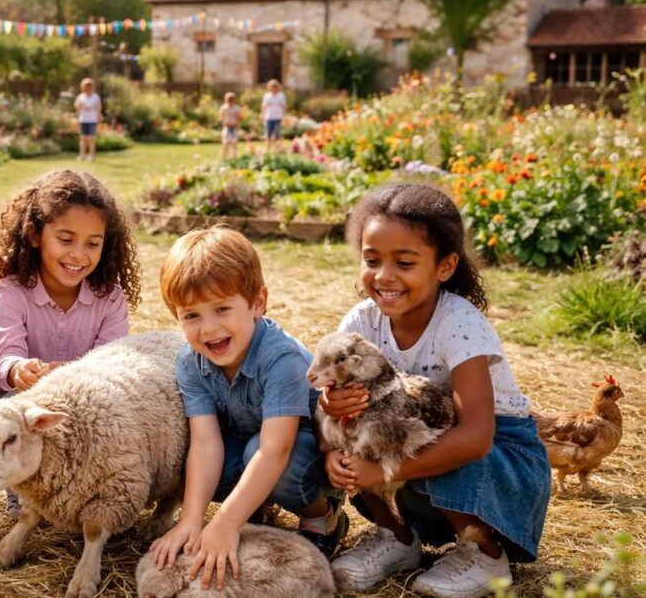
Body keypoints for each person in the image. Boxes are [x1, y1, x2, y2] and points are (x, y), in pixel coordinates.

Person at [322, 183, 549, 598]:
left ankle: (484, 553)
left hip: (497, 456)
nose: (384, 276)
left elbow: (476, 437)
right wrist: (331, 410)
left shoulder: (459, 325)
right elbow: (334, 397)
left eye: (405, 262)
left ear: (445, 266)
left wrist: (382, 471)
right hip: (409, 436)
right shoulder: (361, 321)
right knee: (340, 434)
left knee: (443, 442)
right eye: (371, 260)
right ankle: (397, 539)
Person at [149, 226, 348, 590]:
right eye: (191, 315)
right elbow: (206, 442)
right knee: (200, 457)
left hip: (304, 454)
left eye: (222, 309)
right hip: (247, 446)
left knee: (270, 455)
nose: (209, 329)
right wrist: (192, 519)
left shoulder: (281, 358)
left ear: (258, 302)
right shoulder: (190, 361)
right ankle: (253, 508)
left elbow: (277, 449)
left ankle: (324, 517)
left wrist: (223, 523)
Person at [0, 169, 141, 517]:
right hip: (20, 399)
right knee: (13, 410)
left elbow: (111, 362)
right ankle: (20, 486)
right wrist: (19, 369)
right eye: (65, 239)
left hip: (81, 403)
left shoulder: (109, 297)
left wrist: (69, 378)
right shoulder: (12, 291)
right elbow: (5, 356)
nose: (78, 254)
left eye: (92, 243)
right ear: (36, 235)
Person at [74, 78, 103, 161]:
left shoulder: (95, 97)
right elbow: (77, 107)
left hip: (92, 120)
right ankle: (82, 155)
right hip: (83, 120)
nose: (88, 87)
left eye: (90, 86)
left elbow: (98, 108)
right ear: (83, 87)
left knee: (91, 138)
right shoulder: (80, 96)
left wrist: (98, 117)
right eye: (86, 86)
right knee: (83, 138)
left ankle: (92, 156)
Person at [261, 80, 286, 148]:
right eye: (272, 87)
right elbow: (263, 106)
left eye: (275, 87)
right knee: (268, 134)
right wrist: (262, 114)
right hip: (269, 117)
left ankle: (278, 148)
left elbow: (284, 106)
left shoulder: (281, 95)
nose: (273, 88)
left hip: (278, 117)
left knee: (277, 134)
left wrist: (284, 114)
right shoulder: (267, 95)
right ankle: (267, 148)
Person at [219, 92, 244, 159]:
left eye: (231, 99)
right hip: (227, 127)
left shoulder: (236, 108)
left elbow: (241, 118)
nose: (229, 101)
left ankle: (234, 157)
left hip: (234, 127)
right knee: (226, 143)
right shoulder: (224, 107)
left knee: (234, 143)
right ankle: (223, 157)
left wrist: (238, 117)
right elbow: (221, 117)